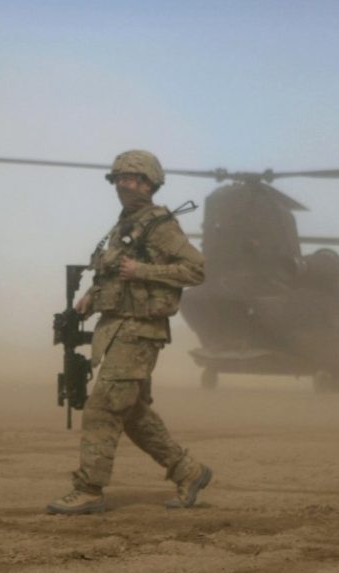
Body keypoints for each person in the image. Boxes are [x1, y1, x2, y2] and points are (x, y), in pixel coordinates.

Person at [47, 150, 213, 514]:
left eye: (133, 179)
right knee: (132, 413)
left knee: (103, 407)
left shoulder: (160, 225)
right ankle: (189, 471)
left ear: (150, 184)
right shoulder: (125, 225)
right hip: (116, 327)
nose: (124, 185)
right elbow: (113, 272)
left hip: (140, 330)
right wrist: (92, 295)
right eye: (119, 179)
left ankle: (89, 488)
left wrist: (143, 272)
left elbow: (196, 270)